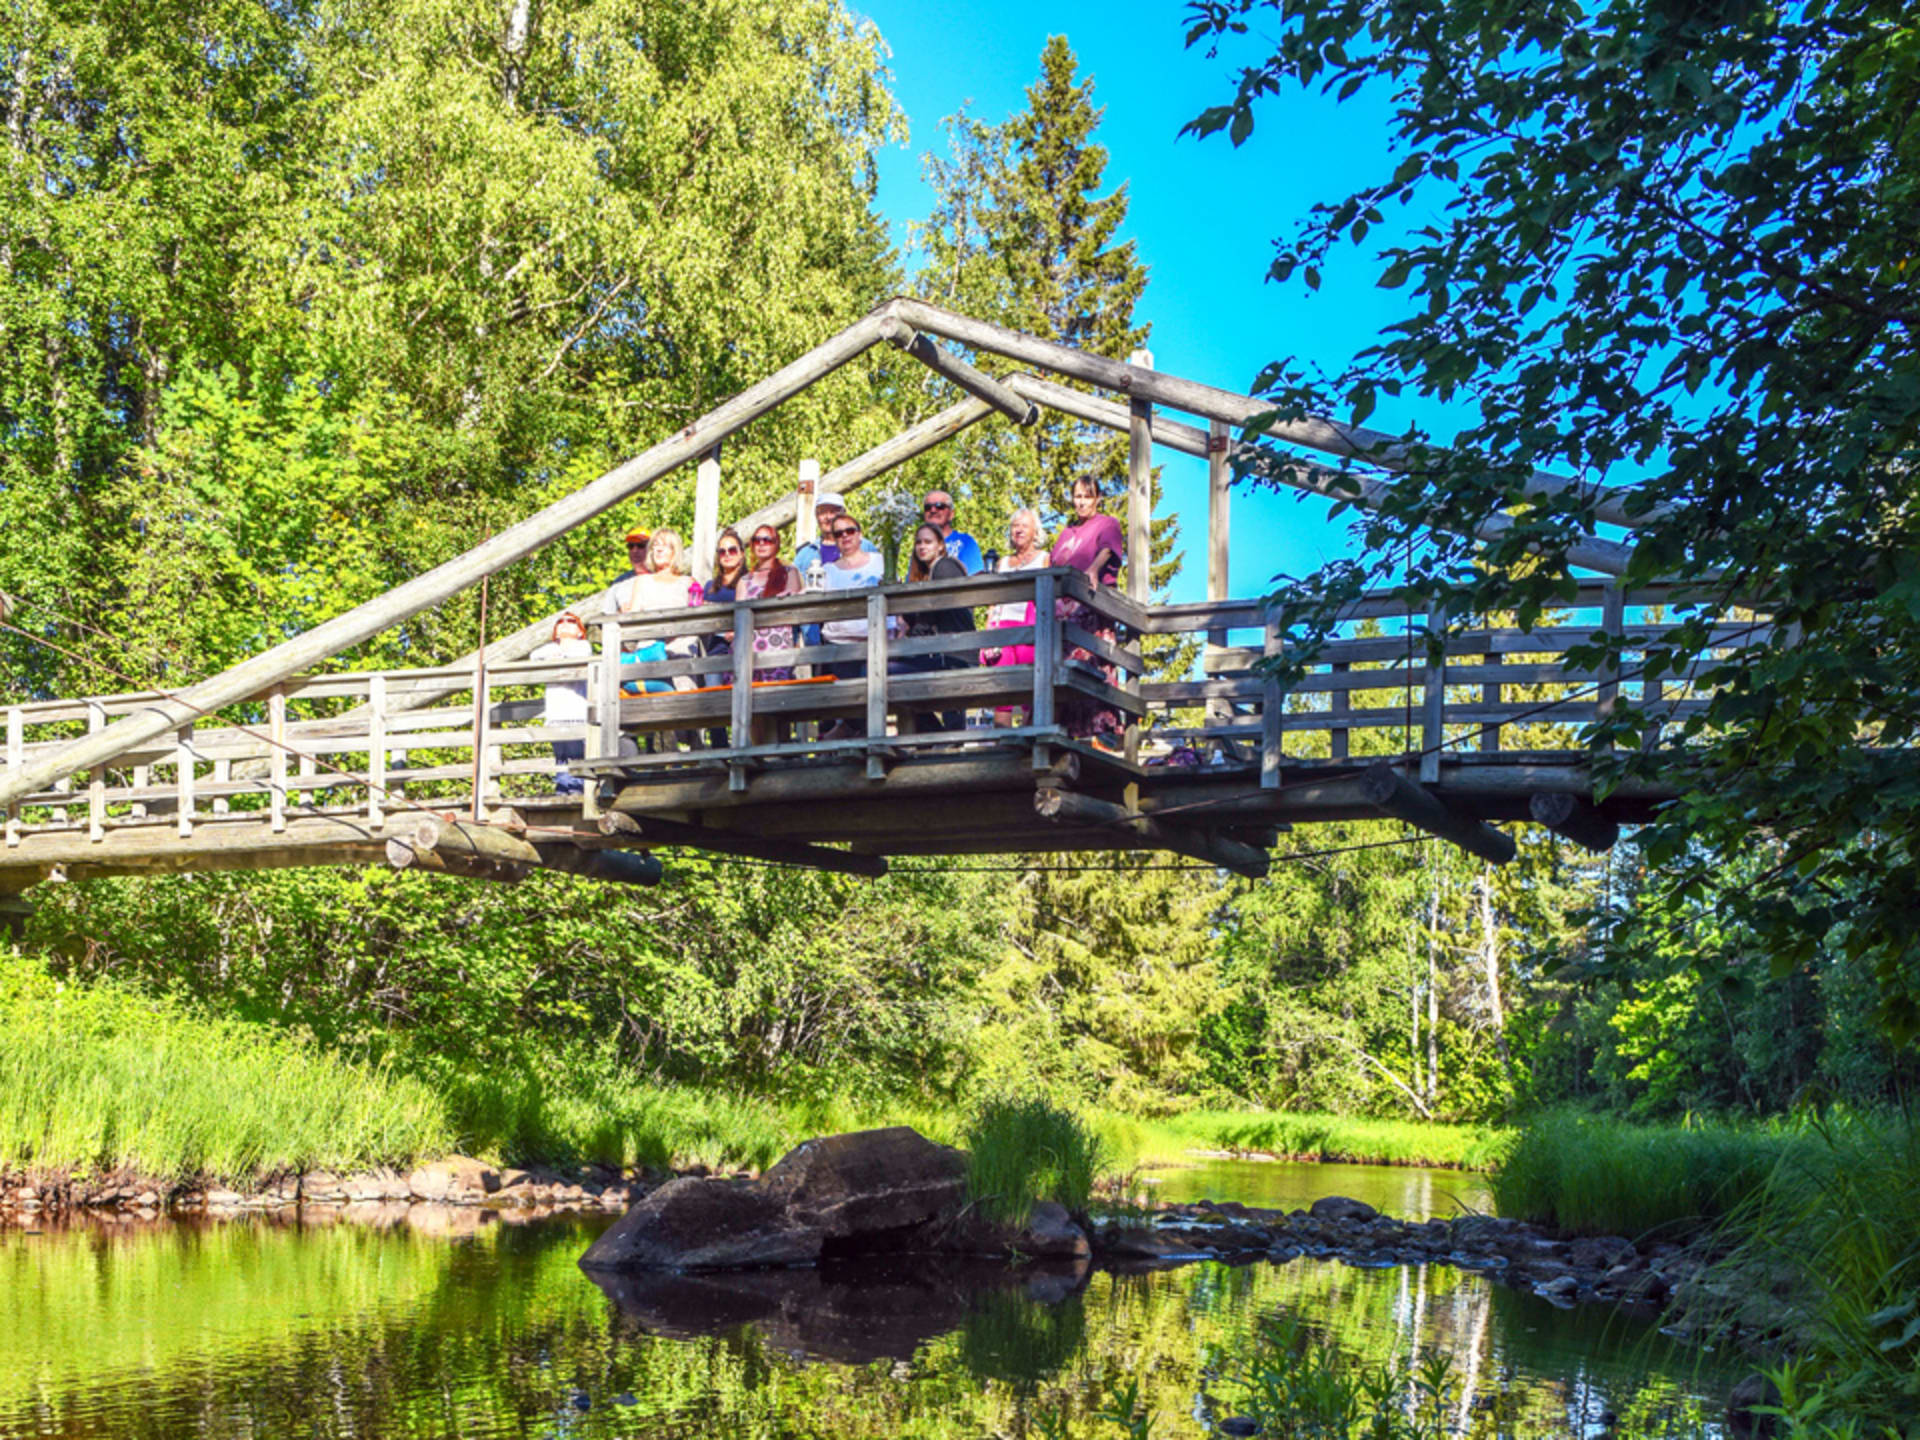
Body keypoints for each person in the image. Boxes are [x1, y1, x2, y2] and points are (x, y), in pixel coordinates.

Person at [1049, 477, 1126, 740]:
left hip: (1091, 612)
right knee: (1064, 673)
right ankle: (1067, 733)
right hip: (1064, 617)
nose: (1081, 502)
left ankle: (1102, 733)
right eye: (1077, 496)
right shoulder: (1066, 533)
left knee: (1093, 670)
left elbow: (1108, 550)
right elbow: (1054, 565)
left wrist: (1092, 569)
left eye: (1087, 496)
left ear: (1097, 499)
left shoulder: (1107, 524)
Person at [817, 512, 892, 740]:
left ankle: (868, 737)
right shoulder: (828, 570)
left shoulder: (880, 561)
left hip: (878, 640)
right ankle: (850, 737)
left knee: (876, 690)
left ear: (859, 534)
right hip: (842, 643)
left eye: (850, 531)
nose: (845, 536)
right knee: (848, 693)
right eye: (838, 533)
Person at [901, 522, 976, 733]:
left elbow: (934, 613)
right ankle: (941, 739)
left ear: (940, 546)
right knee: (898, 682)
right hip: (941, 652)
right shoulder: (926, 574)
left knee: (890, 675)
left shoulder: (945, 567)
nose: (922, 546)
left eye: (928, 542)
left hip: (953, 653)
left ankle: (944, 741)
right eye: (918, 542)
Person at [980, 507, 1049, 726]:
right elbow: (993, 599)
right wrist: (988, 633)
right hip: (1002, 628)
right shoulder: (1002, 563)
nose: (1018, 530)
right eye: (1015, 526)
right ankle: (1004, 745)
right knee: (1003, 693)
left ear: (1035, 532)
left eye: (1024, 526)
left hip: (1029, 628)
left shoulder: (1045, 558)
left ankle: (1028, 748)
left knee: (1030, 691)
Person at [615, 528, 704, 695]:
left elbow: (696, 620)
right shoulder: (642, 581)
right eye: (655, 545)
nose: (658, 549)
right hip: (648, 652)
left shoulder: (688, 583)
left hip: (678, 651)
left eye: (665, 545)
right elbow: (631, 622)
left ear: (675, 551)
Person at [529, 612, 592, 794]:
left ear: (580, 631)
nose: (565, 624)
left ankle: (578, 792)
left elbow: (578, 656)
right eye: (560, 622)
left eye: (572, 622)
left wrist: (558, 656)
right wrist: (558, 654)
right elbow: (534, 655)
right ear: (555, 632)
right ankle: (562, 792)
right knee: (562, 758)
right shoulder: (549, 648)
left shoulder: (583, 645)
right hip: (556, 714)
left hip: (576, 713)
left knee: (577, 756)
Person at [740, 524, 804, 683]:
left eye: (767, 540)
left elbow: (794, 609)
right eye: (757, 540)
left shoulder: (789, 572)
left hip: (778, 642)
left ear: (776, 545)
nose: (761, 544)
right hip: (749, 645)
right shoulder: (745, 580)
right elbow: (738, 616)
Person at [703, 528, 749, 686]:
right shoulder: (710, 587)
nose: (727, 554)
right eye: (722, 551)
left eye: (732, 550)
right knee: (715, 702)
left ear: (742, 553)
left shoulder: (750, 581)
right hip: (716, 651)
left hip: (744, 650)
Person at [922, 490, 984, 573]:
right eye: (928, 507)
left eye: (939, 506)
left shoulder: (966, 542)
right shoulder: (920, 547)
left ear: (951, 514)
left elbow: (976, 580)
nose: (933, 510)